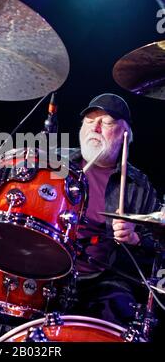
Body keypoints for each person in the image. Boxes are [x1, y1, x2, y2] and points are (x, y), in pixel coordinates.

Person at [58, 93, 160, 337]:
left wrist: (136, 238)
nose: (95, 126)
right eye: (89, 120)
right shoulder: (55, 160)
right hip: (49, 266)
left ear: (125, 136)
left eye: (106, 122)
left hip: (102, 278)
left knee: (118, 308)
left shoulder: (138, 185)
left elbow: (158, 243)